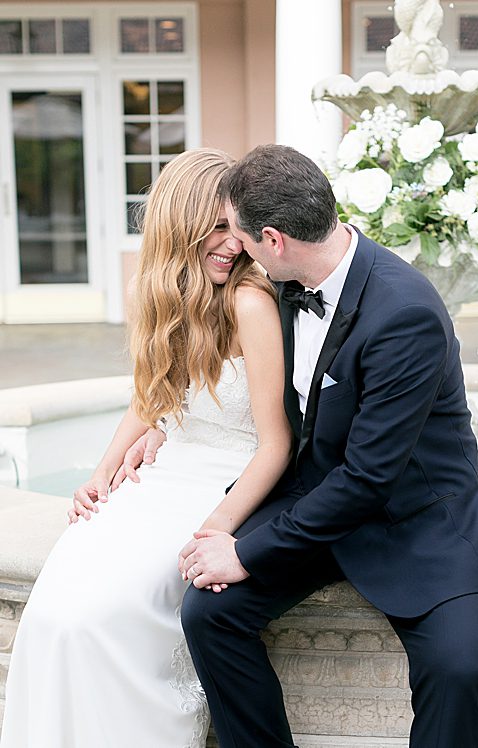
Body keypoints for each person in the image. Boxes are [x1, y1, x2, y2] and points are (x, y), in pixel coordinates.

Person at [168, 143, 478, 748]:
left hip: (414, 518)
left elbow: (370, 479)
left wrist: (245, 554)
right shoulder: (285, 283)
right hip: (317, 498)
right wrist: (152, 433)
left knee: (456, 671)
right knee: (208, 614)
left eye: (240, 235)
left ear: (275, 240)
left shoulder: (405, 313)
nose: (233, 248)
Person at [0, 148, 290, 748]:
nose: (231, 245)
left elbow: (275, 444)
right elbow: (150, 397)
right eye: (214, 229)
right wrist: (102, 474)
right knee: (53, 614)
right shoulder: (157, 295)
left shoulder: (251, 302)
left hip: (223, 488)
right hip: (160, 479)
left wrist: (216, 526)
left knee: (100, 618)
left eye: (234, 229)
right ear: (177, 228)